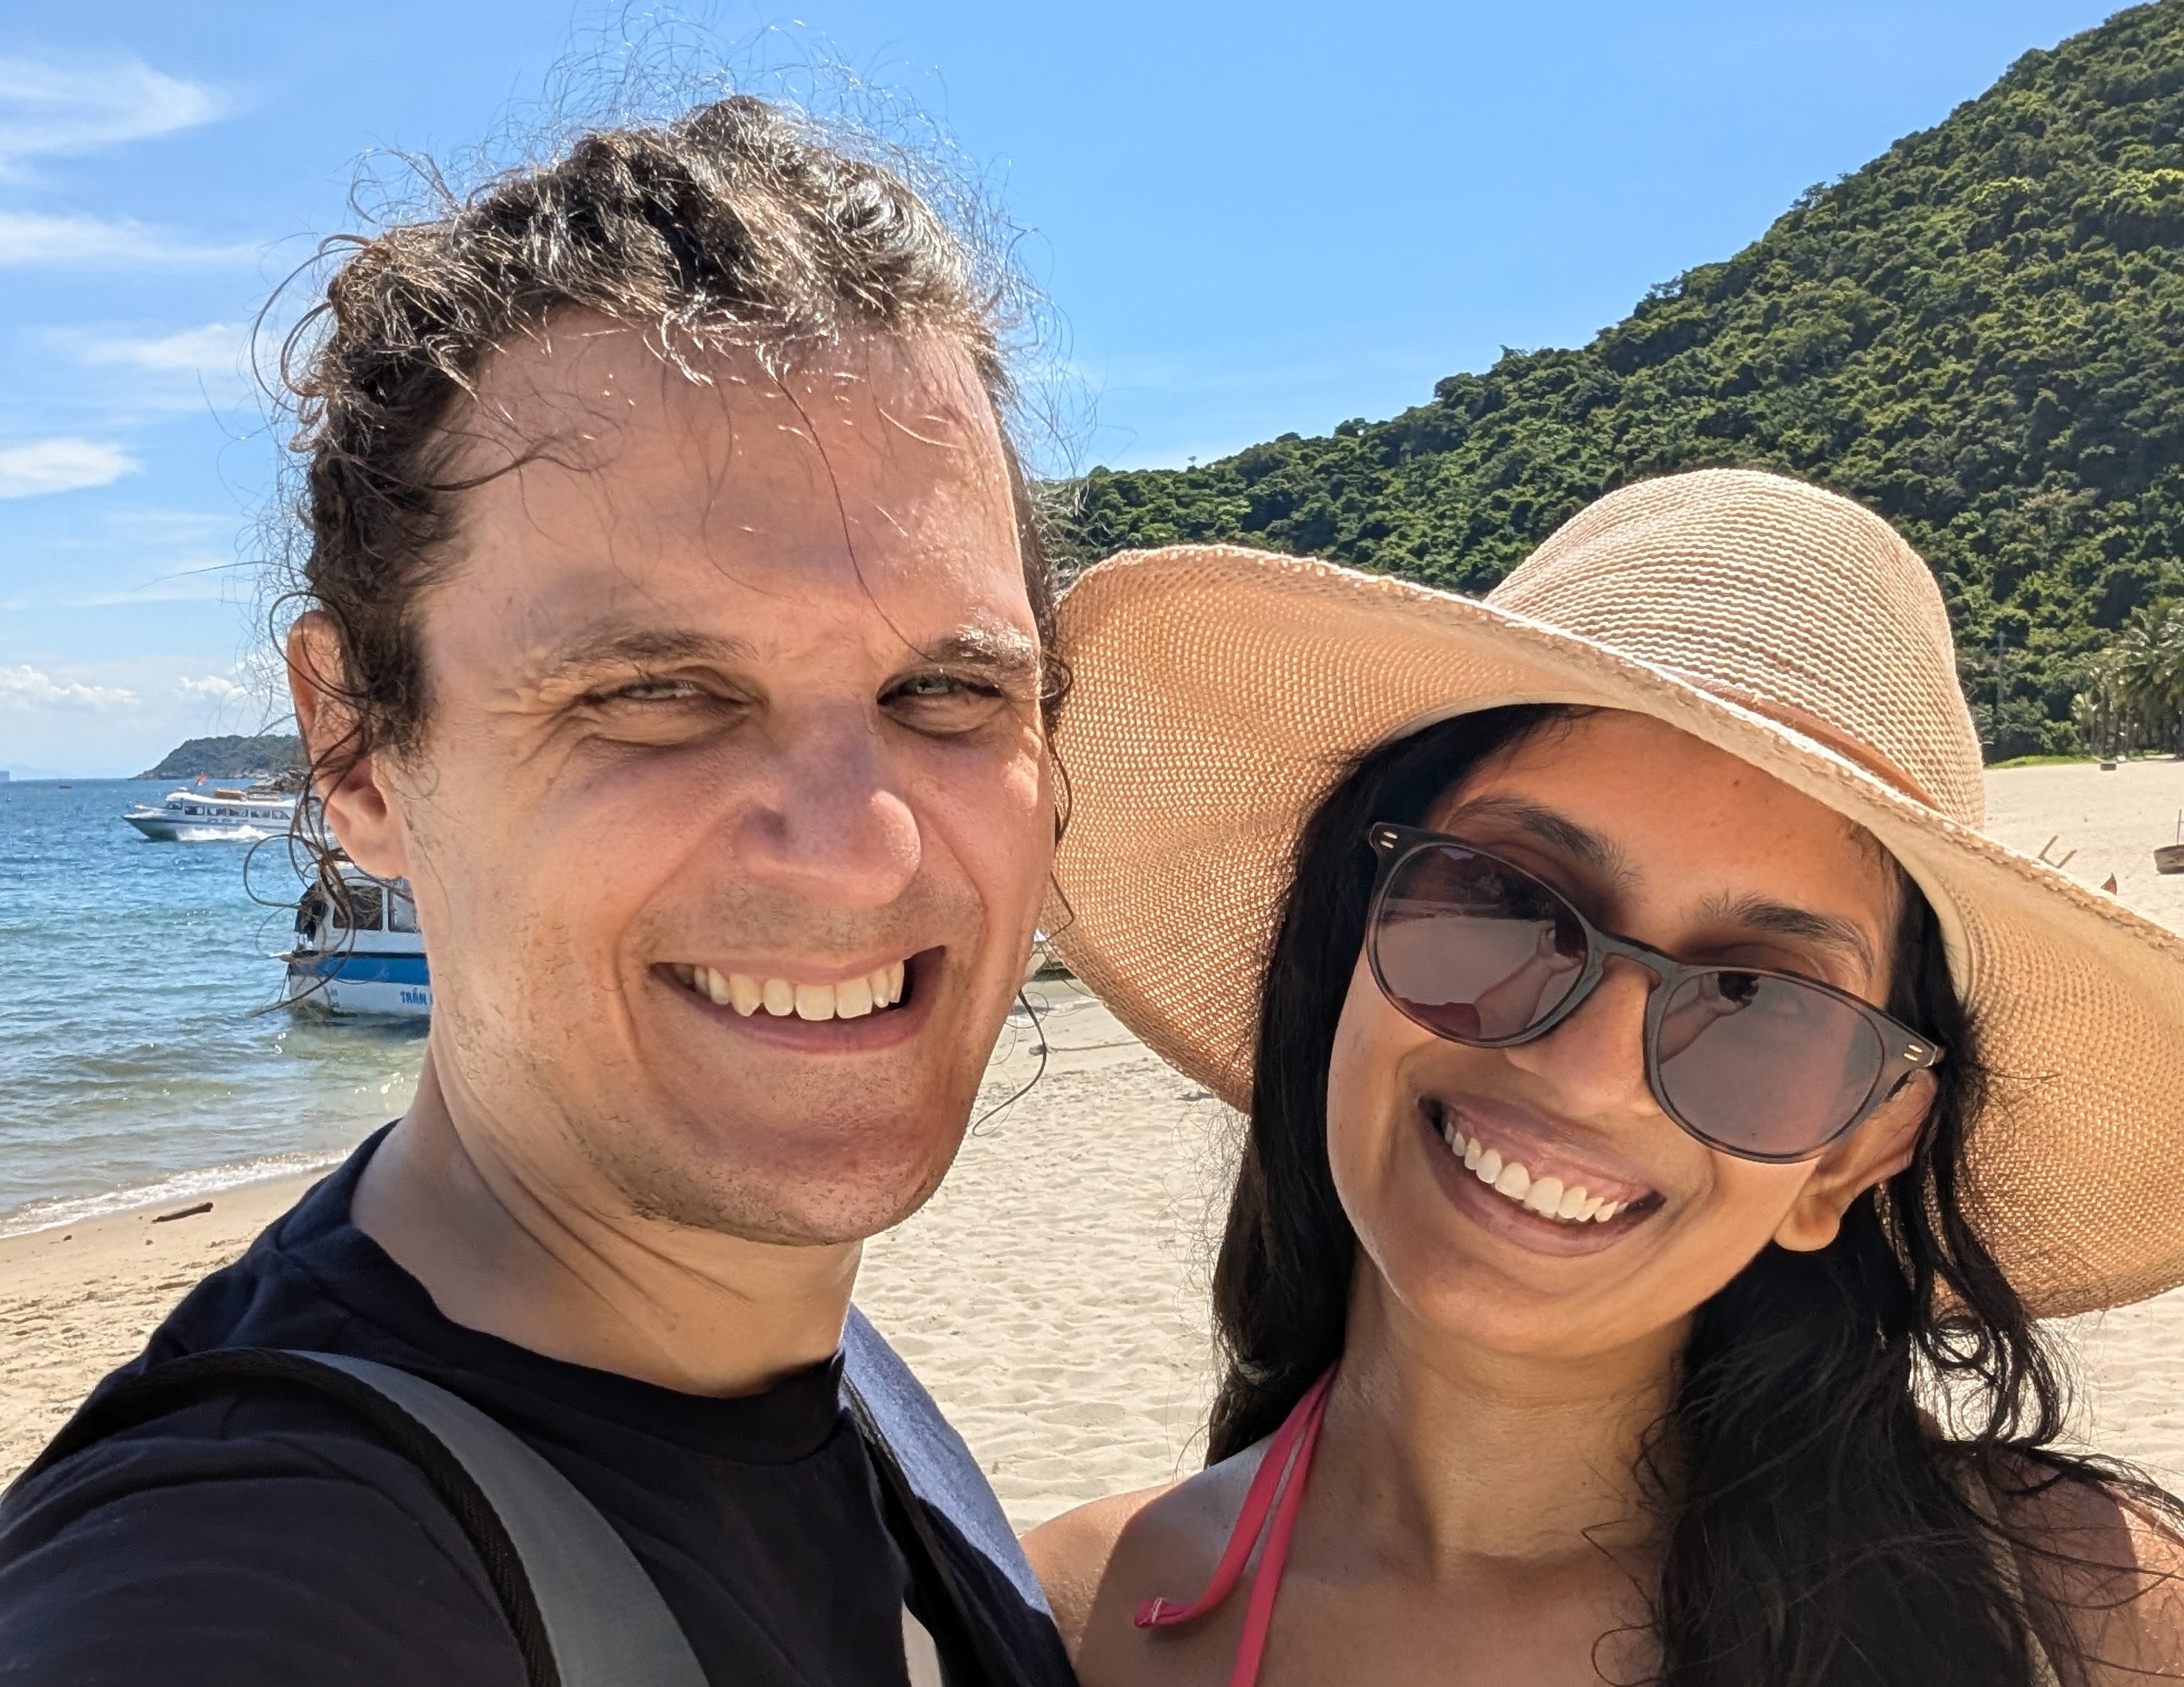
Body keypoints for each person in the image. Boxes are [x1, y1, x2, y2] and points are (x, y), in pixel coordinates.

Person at [0, 97, 1074, 1687]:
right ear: (357, 746)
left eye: (944, 693)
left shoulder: (812, 1375)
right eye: (656, 693)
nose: (863, 848)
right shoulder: (248, 1581)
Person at [1027, 469, 2184, 1685]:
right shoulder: (1064, 1628)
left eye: (1761, 1003)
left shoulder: (2083, 1621)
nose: (1587, 1073)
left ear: (1856, 1148)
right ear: (1350, 929)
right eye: (1505, 901)